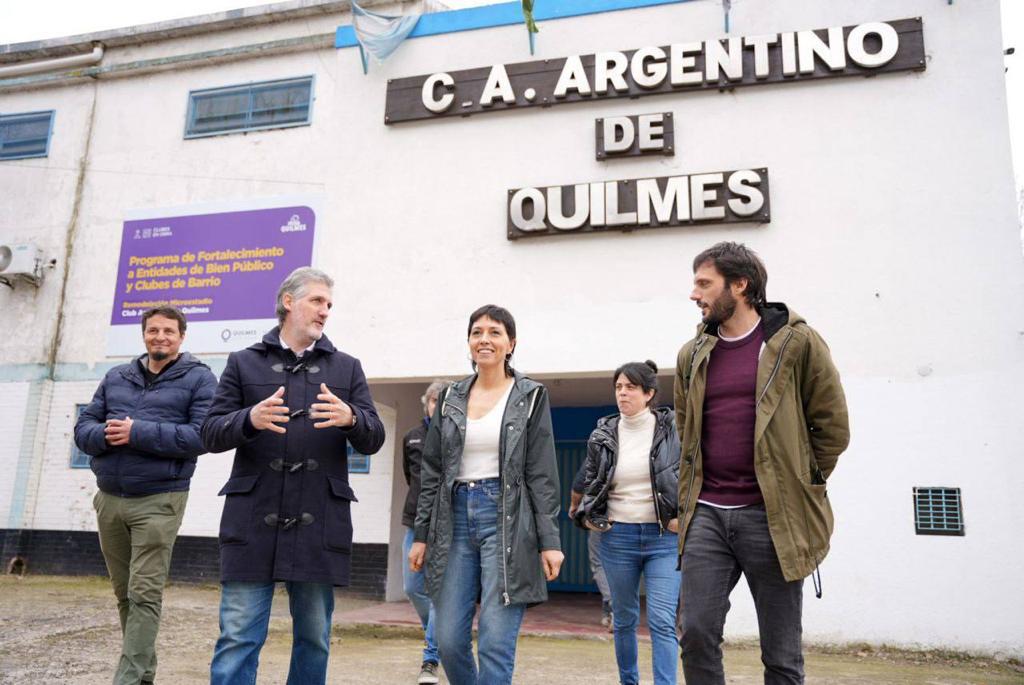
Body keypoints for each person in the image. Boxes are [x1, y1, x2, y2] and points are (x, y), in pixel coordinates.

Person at [674, 242, 850, 684]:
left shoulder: (797, 343)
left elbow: (831, 428)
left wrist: (798, 485)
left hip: (772, 516)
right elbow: (685, 428)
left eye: (704, 283)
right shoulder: (692, 354)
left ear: (740, 284)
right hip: (707, 515)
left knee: (781, 651)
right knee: (695, 631)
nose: (695, 294)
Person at [202, 267, 386, 685]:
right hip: (254, 518)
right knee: (238, 636)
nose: (325, 311)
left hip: (319, 519)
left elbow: (374, 437)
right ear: (289, 301)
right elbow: (210, 433)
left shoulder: (348, 368)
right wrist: (248, 418)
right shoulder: (243, 362)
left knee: (314, 637)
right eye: (318, 301)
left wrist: (352, 417)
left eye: (329, 305)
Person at [408, 304, 564, 685]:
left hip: (508, 516)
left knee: (495, 638)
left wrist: (550, 540)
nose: (485, 339)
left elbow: (541, 472)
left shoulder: (530, 395)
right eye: (477, 332)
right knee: (447, 639)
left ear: (511, 343)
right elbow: (432, 471)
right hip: (454, 517)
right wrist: (422, 533)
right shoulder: (450, 398)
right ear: (468, 342)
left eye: (495, 332)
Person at [74, 306, 218, 685]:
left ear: (181, 337)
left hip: (160, 498)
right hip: (109, 498)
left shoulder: (200, 379)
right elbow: (83, 427)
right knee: (124, 592)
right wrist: (105, 434)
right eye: (153, 330)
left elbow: (202, 436)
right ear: (144, 334)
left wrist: (137, 432)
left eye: (169, 331)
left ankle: (129, 678)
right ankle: (142, 674)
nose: (160, 337)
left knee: (144, 591)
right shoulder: (116, 376)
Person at [574, 360, 681, 685]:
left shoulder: (674, 429)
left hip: (663, 539)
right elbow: (589, 482)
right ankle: (628, 681)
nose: (623, 393)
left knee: (662, 620)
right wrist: (587, 517)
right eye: (619, 387)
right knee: (623, 619)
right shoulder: (603, 433)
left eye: (630, 387)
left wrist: (684, 516)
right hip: (617, 539)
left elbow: (694, 474)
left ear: (649, 393)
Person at [401, 380, 450, 684]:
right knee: (411, 586)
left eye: (444, 402)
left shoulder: (459, 437)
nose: (439, 407)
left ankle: (430, 658)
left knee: (438, 593)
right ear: (428, 404)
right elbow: (411, 477)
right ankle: (437, 631)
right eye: (435, 401)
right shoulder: (411, 438)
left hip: (449, 525)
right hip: (414, 521)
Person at [568, 466, 613, 630]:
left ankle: (612, 603)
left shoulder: (600, 446)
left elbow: (579, 484)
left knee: (598, 560)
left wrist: (574, 505)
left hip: (601, 513)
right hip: (632, 513)